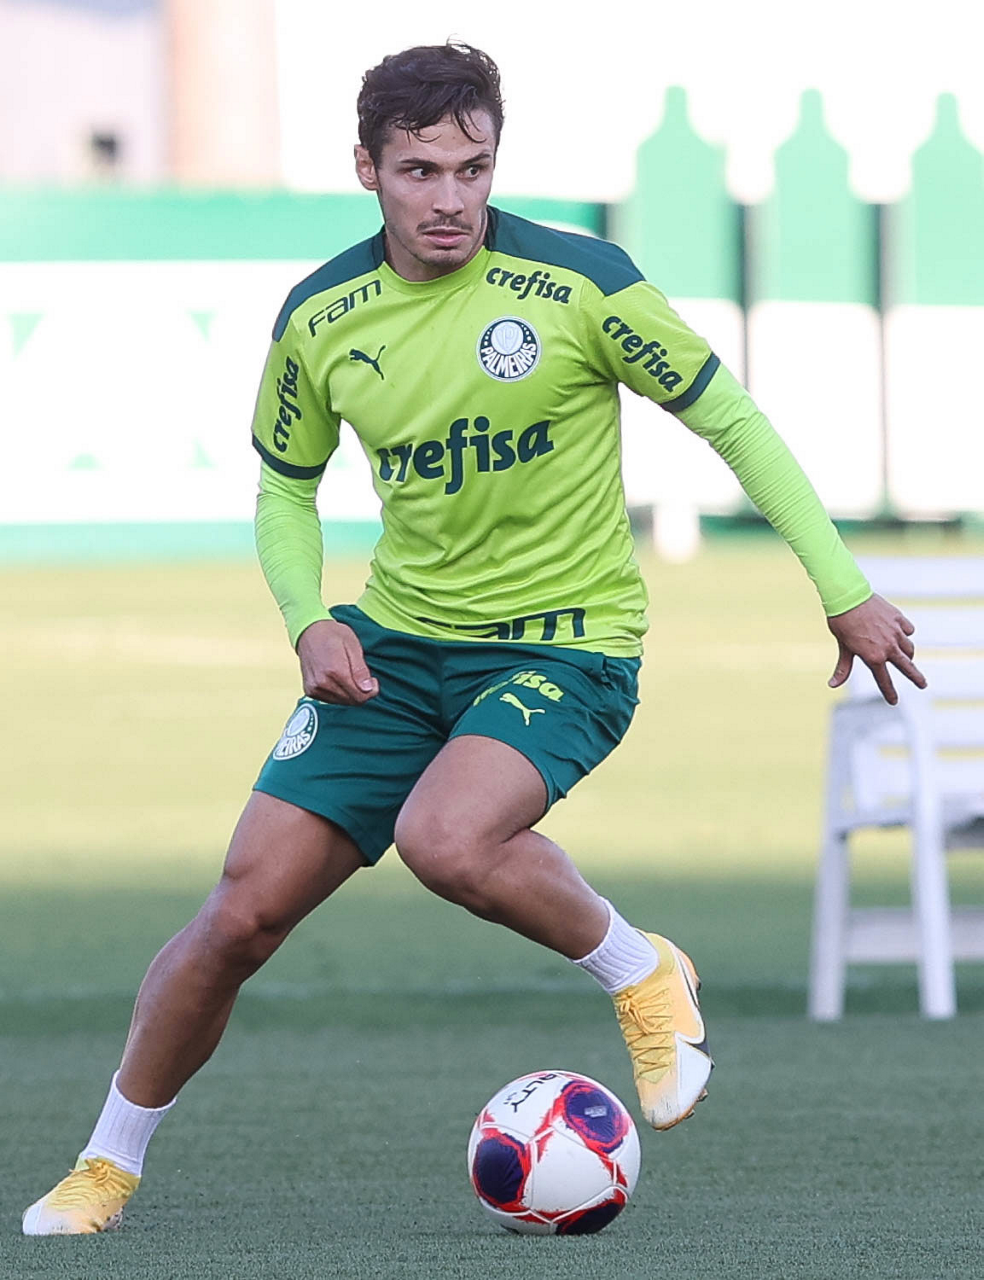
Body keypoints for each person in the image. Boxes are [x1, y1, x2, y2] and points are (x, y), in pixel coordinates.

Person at [23, 41, 925, 1236]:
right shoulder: (322, 318)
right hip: (397, 647)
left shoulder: (583, 283)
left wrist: (842, 587)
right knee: (240, 912)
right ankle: (106, 1161)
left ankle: (642, 971)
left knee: (445, 837)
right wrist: (308, 620)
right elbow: (286, 487)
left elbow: (734, 422)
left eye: (473, 167)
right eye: (419, 171)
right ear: (367, 169)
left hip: (567, 646)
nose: (450, 198)